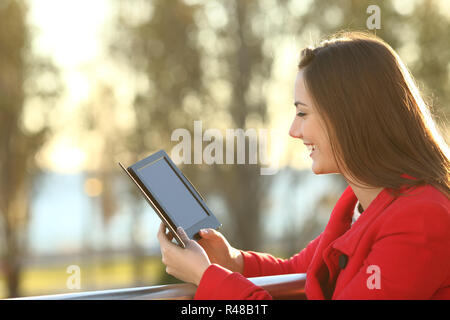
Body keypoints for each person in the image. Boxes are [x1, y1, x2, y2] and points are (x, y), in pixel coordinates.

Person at [157, 31, 450, 300]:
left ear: (348, 117)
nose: (293, 130)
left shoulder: (419, 218)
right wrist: (232, 261)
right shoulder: (363, 207)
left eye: (302, 113)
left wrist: (206, 277)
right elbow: (299, 269)